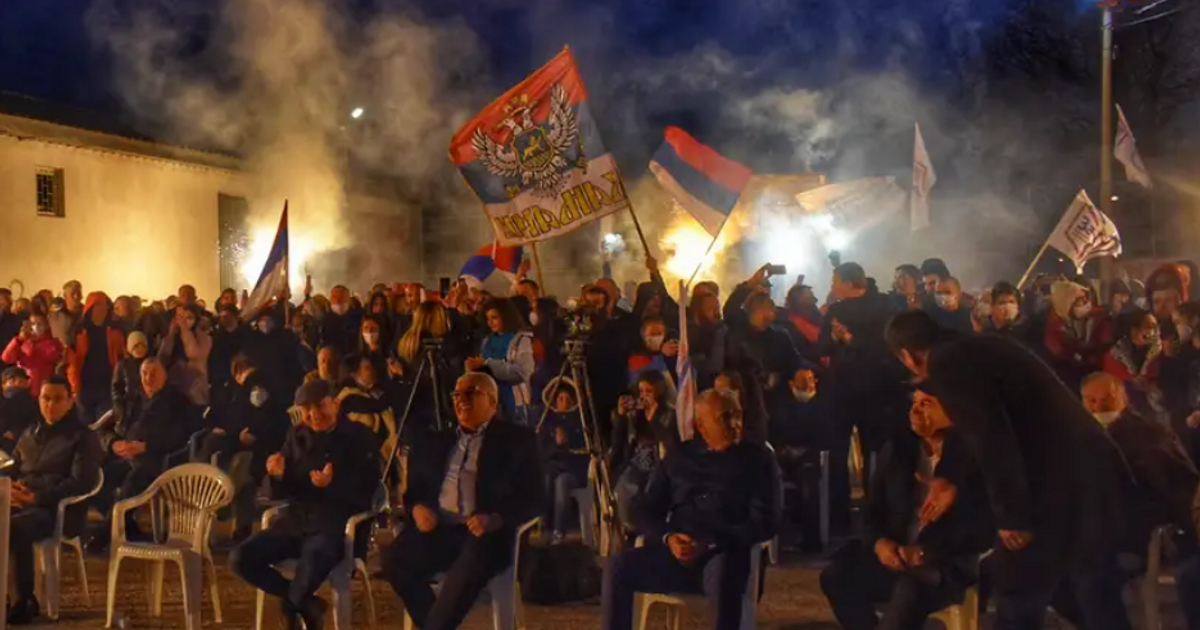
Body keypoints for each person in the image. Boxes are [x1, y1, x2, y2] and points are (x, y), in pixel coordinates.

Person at [885, 310, 1129, 630]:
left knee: (1023, 591)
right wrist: (954, 480)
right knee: (1087, 591)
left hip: (1061, 482)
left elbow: (991, 436)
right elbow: (983, 430)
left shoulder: (947, 363)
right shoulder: (978, 347)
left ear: (907, 355)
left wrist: (1012, 515)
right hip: (1085, 473)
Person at [601, 388, 780, 630]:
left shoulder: (758, 459)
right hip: (677, 554)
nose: (736, 424)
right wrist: (668, 538)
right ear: (701, 425)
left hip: (722, 552)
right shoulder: (680, 456)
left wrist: (712, 542)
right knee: (617, 566)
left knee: (726, 571)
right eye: (725, 417)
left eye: (738, 415)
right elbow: (644, 508)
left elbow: (766, 521)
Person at [820, 388, 993, 630]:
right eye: (914, 403)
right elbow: (871, 510)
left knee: (911, 587)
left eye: (926, 404)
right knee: (836, 576)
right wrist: (880, 544)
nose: (915, 411)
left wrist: (925, 552)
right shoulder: (898, 450)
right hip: (895, 555)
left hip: (946, 564)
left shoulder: (973, 459)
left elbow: (984, 530)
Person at [382, 373, 543, 630]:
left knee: (470, 565)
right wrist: (417, 508)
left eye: (471, 393)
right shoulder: (437, 441)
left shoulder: (516, 441)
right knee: (394, 560)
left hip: (484, 534)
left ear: (492, 402)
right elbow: (415, 491)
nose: (461, 400)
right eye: (457, 394)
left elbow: (534, 497)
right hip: (439, 530)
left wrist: (495, 519)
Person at [230, 379, 380, 630]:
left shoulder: (359, 436)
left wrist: (332, 484)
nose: (314, 414)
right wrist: (277, 475)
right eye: (307, 409)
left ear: (335, 404)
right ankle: (308, 604)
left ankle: (295, 606)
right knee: (240, 558)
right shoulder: (297, 435)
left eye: (320, 406)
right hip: (296, 522)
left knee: (311, 563)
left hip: (337, 527)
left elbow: (369, 490)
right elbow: (284, 491)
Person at [4, 375, 103, 624]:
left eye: (58, 399)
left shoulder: (82, 437)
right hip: (21, 501)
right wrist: (9, 485)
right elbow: (14, 466)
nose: (51, 405)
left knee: (13, 528)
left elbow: (81, 482)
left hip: (57, 510)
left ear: (70, 401)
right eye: (46, 398)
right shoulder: (31, 433)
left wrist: (36, 497)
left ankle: (22, 601)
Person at [820, 262, 906, 535]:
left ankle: (873, 518)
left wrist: (850, 339)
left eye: (835, 280)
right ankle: (842, 519)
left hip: (874, 391)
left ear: (848, 283)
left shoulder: (884, 307)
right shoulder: (836, 310)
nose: (832, 286)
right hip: (845, 392)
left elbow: (887, 345)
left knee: (875, 454)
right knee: (840, 453)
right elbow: (821, 347)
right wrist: (834, 338)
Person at [95, 358, 200, 544]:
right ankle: (127, 528)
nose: (148, 378)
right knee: (97, 475)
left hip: (156, 458)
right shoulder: (133, 399)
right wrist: (114, 444)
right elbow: (106, 429)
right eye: (144, 373)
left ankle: (104, 534)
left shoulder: (177, 400)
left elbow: (182, 435)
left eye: (153, 374)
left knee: (134, 480)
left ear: (164, 377)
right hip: (126, 455)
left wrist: (147, 446)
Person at [610, 371, 679, 535]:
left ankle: (648, 531)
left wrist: (653, 417)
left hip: (659, 461)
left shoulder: (669, 414)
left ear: (659, 391)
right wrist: (621, 417)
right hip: (637, 459)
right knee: (623, 490)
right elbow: (618, 443)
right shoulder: (635, 414)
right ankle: (630, 529)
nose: (644, 396)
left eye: (649, 391)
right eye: (641, 391)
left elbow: (668, 441)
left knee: (649, 495)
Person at [467, 298, 535, 426]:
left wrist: (488, 364)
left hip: (513, 399)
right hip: (490, 399)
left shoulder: (521, 339)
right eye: (488, 319)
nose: (490, 323)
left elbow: (523, 372)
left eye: (494, 318)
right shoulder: (487, 341)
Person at [1042, 280, 1114, 393]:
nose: (1086, 303)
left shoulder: (1099, 317)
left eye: (1086, 298)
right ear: (1066, 304)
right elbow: (1061, 354)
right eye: (1079, 301)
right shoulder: (1055, 326)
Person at [66, 292, 125, 425]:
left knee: (104, 425)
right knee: (85, 426)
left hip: (107, 386)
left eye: (105, 305)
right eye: (99, 305)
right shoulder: (78, 332)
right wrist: (75, 388)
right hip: (84, 387)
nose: (104, 309)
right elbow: (72, 362)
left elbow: (121, 359)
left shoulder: (115, 332)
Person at [1103, 308, 1168, 421]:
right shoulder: (1114, 357)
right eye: (1149, 327)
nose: (1155, 331)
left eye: (1156, 326)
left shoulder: (1165, 350)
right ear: (1132, 330)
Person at [1, 313, 63, 396]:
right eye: (33, 324)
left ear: (47, 325)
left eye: (40, 324)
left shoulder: (53, 343)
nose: (36, 327)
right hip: (22, 389)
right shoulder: (22, 341)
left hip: (44, 390)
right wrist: (19, 339)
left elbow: (56, 359)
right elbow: (6, 358)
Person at [110, 331, 149, 431]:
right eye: (136, 346)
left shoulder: (150, 364)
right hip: (128, 411)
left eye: (142, 346)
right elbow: (116, 389)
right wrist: (120, 409)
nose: (140, 349)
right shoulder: (123, 365)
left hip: (147, 408)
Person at [0, 367, 39, 454]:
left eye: (24, 380)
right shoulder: (34, 400)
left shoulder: (28, 399)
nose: (24, 382)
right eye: (19, 380)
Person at [0, 288, 24, 367]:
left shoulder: (16, 319)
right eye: (5, 298)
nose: (10, 302)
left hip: (11, 361)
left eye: (10, 299)